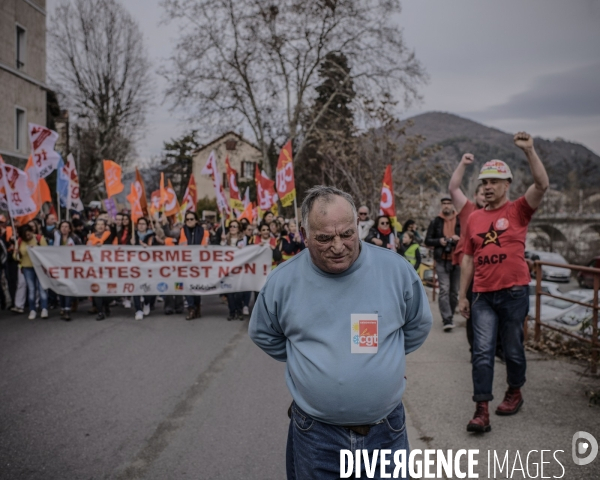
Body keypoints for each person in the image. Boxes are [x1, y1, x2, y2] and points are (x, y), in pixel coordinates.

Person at [249, 185, 432, 479]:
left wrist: (387, 359)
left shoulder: (396, 271)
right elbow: (264, 333)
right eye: (324, 238)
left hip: (386, 433)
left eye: (347, 234)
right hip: (317, 436)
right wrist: (308, 361)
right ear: (304, 234)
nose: (338, 246)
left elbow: (417, 326)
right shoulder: (282, 282)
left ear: (357, 226)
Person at [459, 132, 549, 433]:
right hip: (482, 295)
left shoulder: (518, 210)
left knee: (512, 349)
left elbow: (541, 185)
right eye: (483, 182)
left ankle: (515, 390)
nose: (487, 186)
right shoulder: (474, 218)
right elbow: (468, 259)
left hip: (513, 292)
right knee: (482, 351)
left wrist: (530, 151)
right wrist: (463, 295)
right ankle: (481, 411)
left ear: (506, 185)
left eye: (493, 182)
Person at [449, 153, 487, 350]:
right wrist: (463, 163)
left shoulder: (499, 213)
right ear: (476, 196)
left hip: (491, 267)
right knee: (472, 306)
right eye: (481, 193)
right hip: (470, 266)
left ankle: (493, 345)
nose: (485, 195)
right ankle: (476, 347)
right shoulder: (468, 209)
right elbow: (453, 188)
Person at [425, 197, 461, 331]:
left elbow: (468, 238)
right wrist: (440, 241)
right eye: (444, 204)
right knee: (444, 289)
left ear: (453, 205)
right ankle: (447, 319)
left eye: (449, 203)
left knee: (454, 292)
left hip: (457, 259)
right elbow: (427, 240)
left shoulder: (461, 220)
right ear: (441, 206)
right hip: (441, 259)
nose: (446, 206)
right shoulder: (436, 221)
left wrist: (458, 239)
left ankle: (450, 314)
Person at [15, 224, 49, 320]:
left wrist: (35, 248)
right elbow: (16, 257)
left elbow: (46, 252)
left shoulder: (39, 238)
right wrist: (17, 252)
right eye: (25, 235)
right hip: (27, 268)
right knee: (31, 289)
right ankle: (32, 310)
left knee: (42, 288)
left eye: (29, 234)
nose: (28, 236)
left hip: (39, 267)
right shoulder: (20, 241)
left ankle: (44, 308)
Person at [180, 211, 209, 320]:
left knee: (196, 287)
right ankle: (191, 309)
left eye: (192, 219)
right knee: (187, 286)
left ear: (196, 220)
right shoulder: (181, 231)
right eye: (187, 219)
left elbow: (209, 245)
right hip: (185, 263)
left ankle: (197, 307)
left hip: (199, 264)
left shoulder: (203, 232)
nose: (189, 221)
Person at [87, 219, 117, 320]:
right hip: (95, 267)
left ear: (105, 227)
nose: (100, 226)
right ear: (95, 227)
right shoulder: (90, 238)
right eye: (98, 224)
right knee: (97, 289)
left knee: (108, 290)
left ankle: (106, 306)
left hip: (108, 268)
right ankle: (100, 312)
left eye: (102, 224)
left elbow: (114, 248)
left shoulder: (110, 235)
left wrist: (103, 246)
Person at [54, 220, 81, 321]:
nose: (64, 228)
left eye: (66, 227)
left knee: (68, 287)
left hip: (70, 267)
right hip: (59, 267)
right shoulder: (56, 238)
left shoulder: (74, 238)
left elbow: (80, 251)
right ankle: (62, 307)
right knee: (61, 287)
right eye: (62, 227)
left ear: (70, 229)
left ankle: (67, 310)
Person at [131, 217, 157, 320]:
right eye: (139, 224)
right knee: (136, 288)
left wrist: (148, 247)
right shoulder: (133, 236)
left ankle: (147, 302)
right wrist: (131, 244)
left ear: (147, 225)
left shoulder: (152, 236)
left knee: (147, 287)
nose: (141, 226)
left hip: (148, 266)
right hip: (135, 266)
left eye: (143, 224)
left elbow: (158, 251)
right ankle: (138, 310)